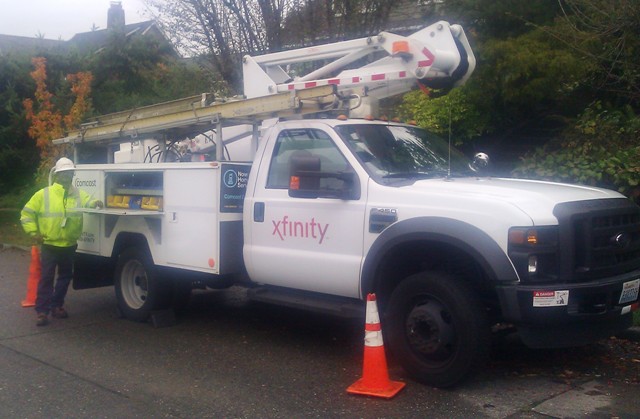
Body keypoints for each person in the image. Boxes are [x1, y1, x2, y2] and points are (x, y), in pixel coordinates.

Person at [20, 157, 103, 326]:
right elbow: (26, 214)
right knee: (46, 278)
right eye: (64, 174)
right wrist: (33, 232)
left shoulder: (78, 194)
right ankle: (42, 312)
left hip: (69, 245)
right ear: (57, 176)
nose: (67, 177)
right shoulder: (44, 194)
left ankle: (56, 306)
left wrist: (96, 203)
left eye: (70, 174)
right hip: (50, 244)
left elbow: (89, 201)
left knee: (65, 277)